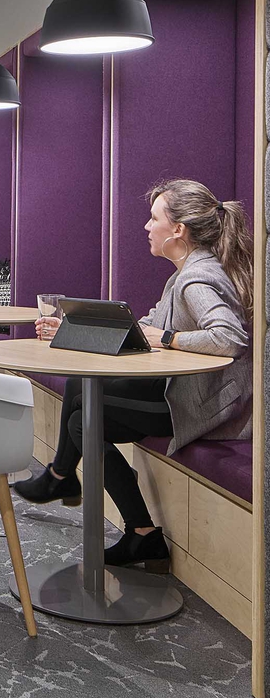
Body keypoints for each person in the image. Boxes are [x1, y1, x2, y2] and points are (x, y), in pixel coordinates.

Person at [14, 179, 253, 571]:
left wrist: (170, 338)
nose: (146, 226)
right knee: (81, 407)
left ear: (178, 229)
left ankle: (66, 480)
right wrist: (71, 329)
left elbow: (229, 339)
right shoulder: (182, 273)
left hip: (200, 407)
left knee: (83, 410)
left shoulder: (198, 278)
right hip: (180, 392)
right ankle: (136, 531)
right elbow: (142, 330)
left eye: (154, 218)